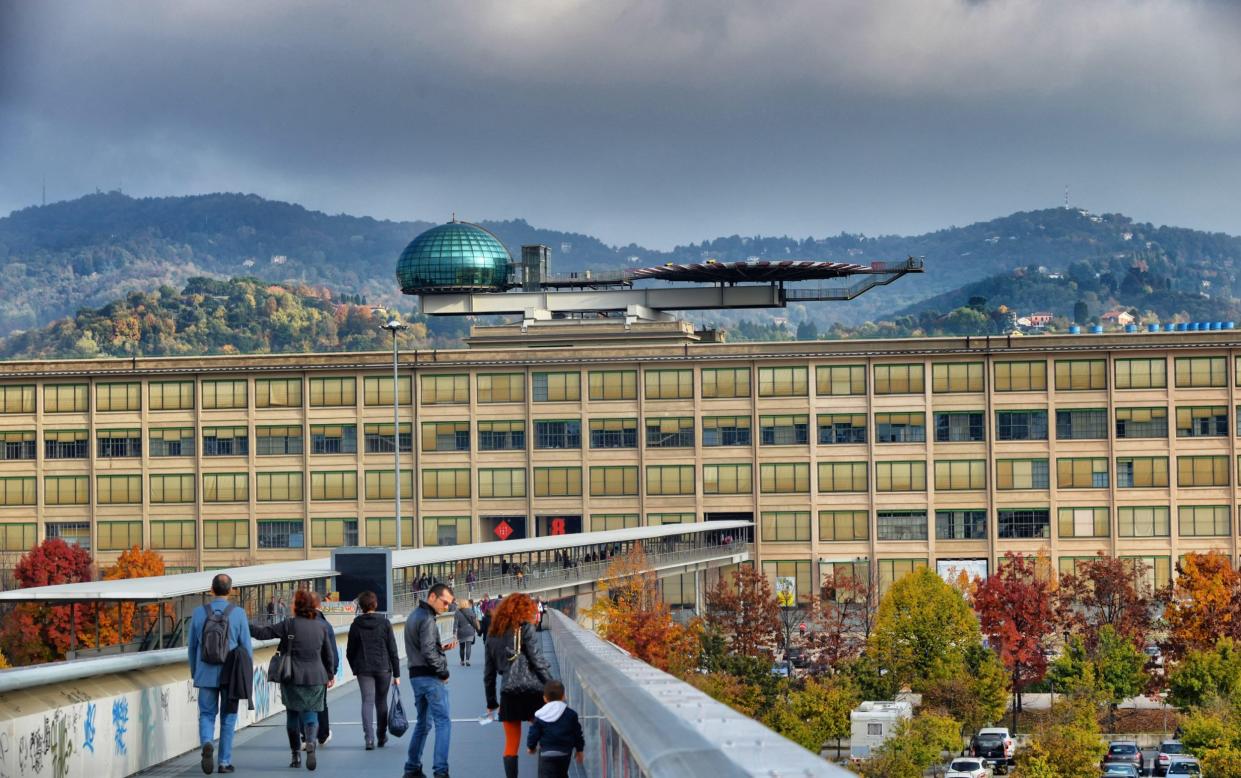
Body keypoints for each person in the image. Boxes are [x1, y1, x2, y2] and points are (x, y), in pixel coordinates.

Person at [249, 589, 336, 772]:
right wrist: (330, 674)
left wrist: (244, 624)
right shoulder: (321, 626)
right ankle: (311, 742)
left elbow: (262, 633)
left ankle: (295, 755)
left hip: (292, 676)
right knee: (311, 712)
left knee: (292, 715)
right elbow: (328, 654)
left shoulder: (289, 624)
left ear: (297, 605)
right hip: (316, 676)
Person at [189, 574, 253, 775]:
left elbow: (192, 648)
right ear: (231, 590)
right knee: (228, 717)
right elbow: (247, 649)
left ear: (211, 589)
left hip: (205, 672)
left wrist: (195, 672)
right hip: (231, 675)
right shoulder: (239, 614)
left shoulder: (199, 613)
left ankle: (207, 743)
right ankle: (224, 762)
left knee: (207, 714)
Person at [484, 593, 553, 778]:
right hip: (533, 692)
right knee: (545, 737)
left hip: (509, 693)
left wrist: (491, 702)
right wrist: (553, 687)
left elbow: (489, 674)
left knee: (511, 744)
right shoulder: (525, 628)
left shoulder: (492, 635)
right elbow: (537, 660)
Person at [403, 582, 455, 778]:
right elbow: (428, 651)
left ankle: (412, 767)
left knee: (423, 723)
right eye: (445, 602)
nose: (446, 606)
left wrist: (439, 650)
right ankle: (440, 771)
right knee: (444, 723)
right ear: (432, 597)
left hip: (416, 676)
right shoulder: (427, 619)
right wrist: (443, 672)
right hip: (430, 677)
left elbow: (423, 648)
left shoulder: (414, 615)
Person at [346, 590, 400, 750]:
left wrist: (355, 667)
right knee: (381, 702)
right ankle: (381, 736)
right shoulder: (385, 623)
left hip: (364, 668)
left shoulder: (356, 624)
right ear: (375, 604)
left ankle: (368, 739)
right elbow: (393, 649)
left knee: (367, 702)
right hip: (383, 667)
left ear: (361, 606)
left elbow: (350, 651)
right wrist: (397, 673)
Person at [526, 681, 584, 778]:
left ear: (544, 698)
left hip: (546, 753)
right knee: (561, 774)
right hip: (565, 753)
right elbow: (577, 733)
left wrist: (531, 747)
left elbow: (534, 733)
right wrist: (579, 750)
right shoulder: (571, 714)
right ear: (563, 696)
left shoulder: (540, 715)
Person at [309, 592, 339, 749]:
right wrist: (332, 671)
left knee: (303, 704)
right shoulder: (325, 625)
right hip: (320, 671)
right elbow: (331, 651)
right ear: (320, 605)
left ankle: (304, 735)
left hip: (301, 670)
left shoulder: (297, 622)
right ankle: (323, 734)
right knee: (321, 703)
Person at [454, 598, 480, 666]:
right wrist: (478, 630)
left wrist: (454, 632)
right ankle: (467, 660)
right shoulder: (470, 611)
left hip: (461, 632)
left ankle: (462, 661)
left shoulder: (457, 612)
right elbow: (474, 622)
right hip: (470, 631)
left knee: (461, 647)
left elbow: (455, 624)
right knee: (468, 646)